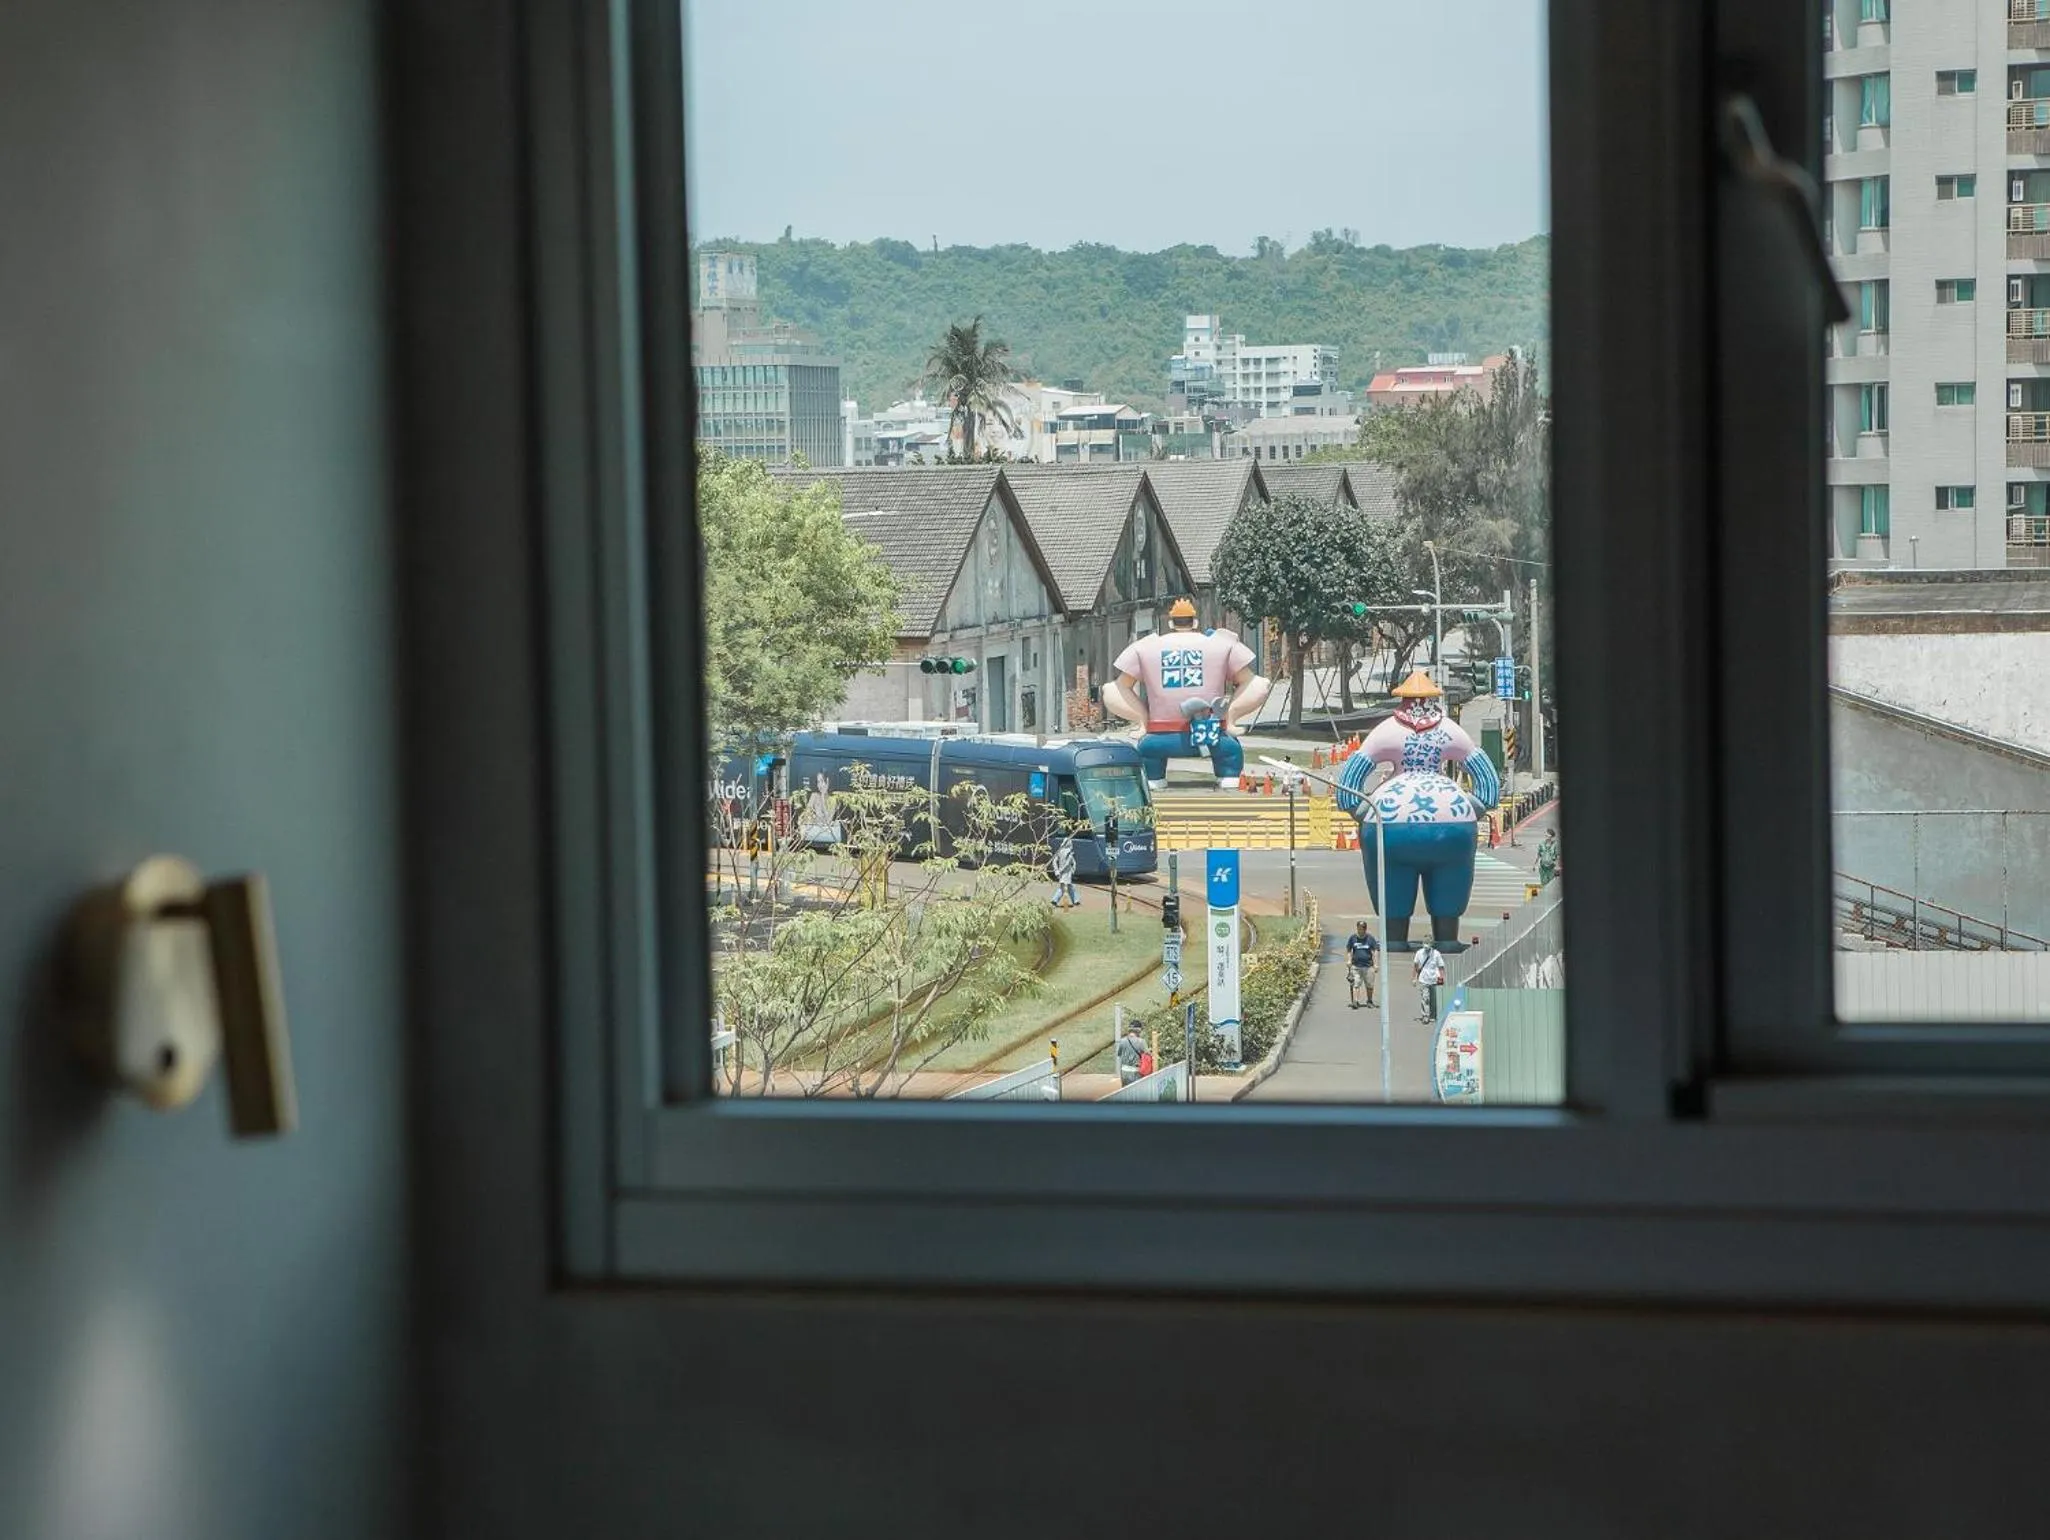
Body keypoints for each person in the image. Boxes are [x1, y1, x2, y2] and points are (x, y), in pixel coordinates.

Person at [1345, 920, 1380, 1010]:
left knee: (1369, 985)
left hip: (1368, 966)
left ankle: (1369, 1001)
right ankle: (1355, 1001)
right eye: (1359, 928)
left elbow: (1375, 951)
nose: (1361, 930)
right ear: (1357, 928)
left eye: (1363, 928)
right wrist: (1349, 960)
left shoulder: (1370, 938)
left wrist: (1376, 964)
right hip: (1356, 966)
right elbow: (1349, 950)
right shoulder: (1353, 938)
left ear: (1365, 929)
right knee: (1356, 984)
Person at [1413, 939, 1447, 1025]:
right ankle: (1425, 1016)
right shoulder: (1419, 953)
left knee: (1434, 999)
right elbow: (1415, 966)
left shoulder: (1436, 954)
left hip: (1434, 979)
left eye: (1428, 944)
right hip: (1423, 979)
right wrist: (1414, 978)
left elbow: (1441, 966)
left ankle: (1433, 1016)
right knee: (1425, 998)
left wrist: (1442, 977)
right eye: (1425, 943)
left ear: (1431, 944)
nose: (1426, 946)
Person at [1050, 833, 1080, 909]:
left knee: (1070, 887)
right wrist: (1059, 870)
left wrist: (1057, 870)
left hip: (1064, 872)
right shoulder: (1069, 852)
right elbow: (1068, 863)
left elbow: (1054, 861)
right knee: (1063, 888)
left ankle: (1075, 901)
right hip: (1065, 873)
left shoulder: (1060, 851)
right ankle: (1054, 901)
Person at [1116, 1020, 1147, 1085]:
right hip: (1136, 1072)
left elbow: (1119, 1054)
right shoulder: (1141, 1042)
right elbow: (1147, 1055)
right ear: (1139, 1030)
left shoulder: (1122, 1041)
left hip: (1124, 1071)